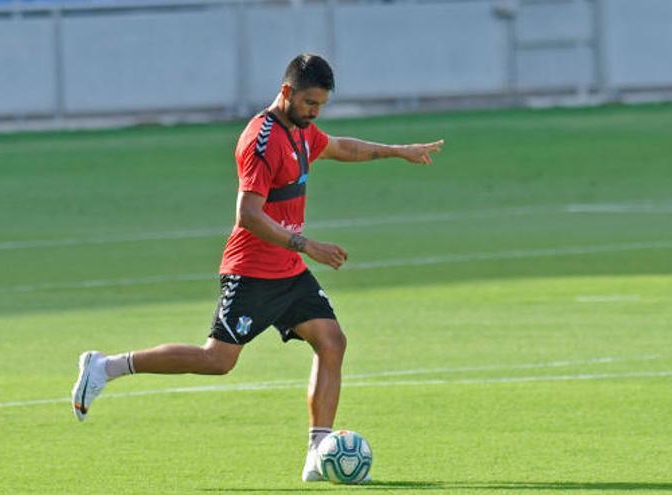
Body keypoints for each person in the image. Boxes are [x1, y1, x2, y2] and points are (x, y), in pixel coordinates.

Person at [71, 53, 444, 482]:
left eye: (321, 105)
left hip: (287, 269)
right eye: (309, 103)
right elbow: (248, 214)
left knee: (332, 341)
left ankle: (317, 451)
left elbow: (340, 147)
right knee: (218, 360)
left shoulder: (302, 132)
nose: (314, 112)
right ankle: (105, 367)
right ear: (286, 92)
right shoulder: (261, 141)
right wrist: (309, 245)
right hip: (251, 271)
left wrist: (399, 151)